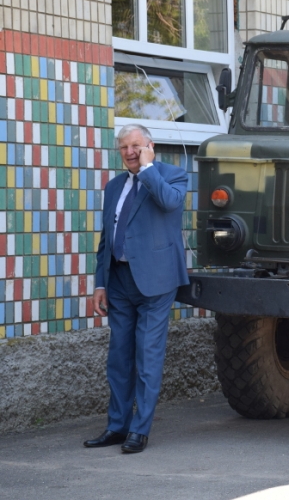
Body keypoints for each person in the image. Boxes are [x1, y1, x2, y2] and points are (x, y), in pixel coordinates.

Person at [84, 124, 189, 453]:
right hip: (119, 282)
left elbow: (170, 203)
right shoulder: (114, 186)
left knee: (147, 357)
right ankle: (117, 426)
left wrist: (147, 168)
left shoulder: (172, 175)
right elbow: (106, 238)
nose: (129, 152)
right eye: (124, 147)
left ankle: (139, 430)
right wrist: (100, 282)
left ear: (149, 146)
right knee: (118, 358)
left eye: (136, 146)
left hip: (156, 282)